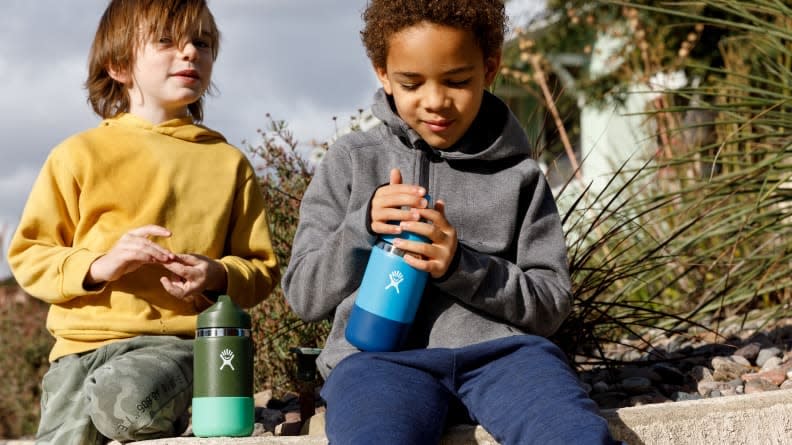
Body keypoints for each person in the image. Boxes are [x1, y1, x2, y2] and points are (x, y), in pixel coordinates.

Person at [282, 1, 620, 444]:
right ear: (382, 73)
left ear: (490, 67)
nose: (436, 101)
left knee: (576, 437)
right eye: (411, 83)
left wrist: (462, 266)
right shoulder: (351, 162)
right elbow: (303, 295)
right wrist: (361, 228)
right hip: (377, 366)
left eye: (458, 81)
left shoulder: (520, 177)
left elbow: (551, 303)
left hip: (506, 359)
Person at [6, 0, 279, 443]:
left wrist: (217, 274)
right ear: (118, 65)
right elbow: (29, 254)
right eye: (167, 41)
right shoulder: (76, 155)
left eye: (202, 43)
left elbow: (262, 268)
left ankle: (186, 405)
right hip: (78, 353)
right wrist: (99, 267)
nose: (190, 52)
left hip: (181, 347)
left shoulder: (228, 163)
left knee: (124, 404)